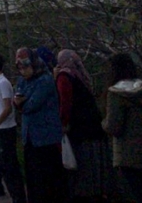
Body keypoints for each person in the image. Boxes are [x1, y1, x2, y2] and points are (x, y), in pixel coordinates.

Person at [103, 52, 142, 203]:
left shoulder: (116, 93)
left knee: (135, 195)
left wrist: (102, 123)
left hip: (128, 156)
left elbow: (114, 127)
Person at [55, 49, 109, 202]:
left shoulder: (64, 76)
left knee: (81, 165)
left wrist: (62, 124)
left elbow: (65, 103)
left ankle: (84, 194)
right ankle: (98, 192)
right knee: (94, 163)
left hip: (78, 129)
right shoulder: (80, 75)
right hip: (93, 126)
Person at [14, 47, 66, 203]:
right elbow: (17, 99)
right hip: (30, 138)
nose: (23, 71)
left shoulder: (45, 79)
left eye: (26, 66)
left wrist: (21, 102)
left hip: (46, 137)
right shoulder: (22, 80)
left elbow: (31, 104)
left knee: (48, 180)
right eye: (20, 67)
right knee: (33, 179)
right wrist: (20, 102)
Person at [0, 52, 26, 203]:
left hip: (5, 129)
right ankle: (14, 195)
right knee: (3, 165)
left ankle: (19, 197)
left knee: (10, 166)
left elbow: (7, 108)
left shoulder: (3, 83)